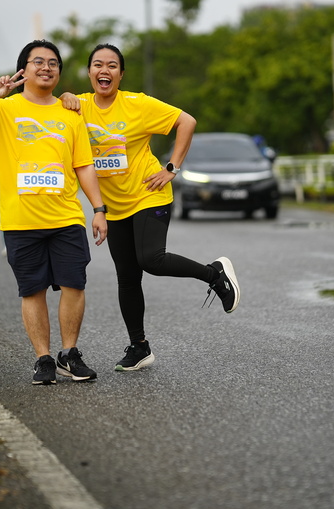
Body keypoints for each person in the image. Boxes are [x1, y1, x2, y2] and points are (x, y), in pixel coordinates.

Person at [60, 43, 240, 372]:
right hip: (114, 206)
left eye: (112, 65)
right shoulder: (78, 106)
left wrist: (172, 168)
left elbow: (187, 121)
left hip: (149, 193)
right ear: (89, 72)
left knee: (151, 259)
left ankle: (214, 274)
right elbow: (56, 107)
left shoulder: (137, 104)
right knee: (127, 278)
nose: (104, 70)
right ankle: (139, 347)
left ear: (121, 74)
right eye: (98, 65)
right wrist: (65, 96)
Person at [0, 39, 108, 385]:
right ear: (23, 70)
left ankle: (69, 353)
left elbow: (84, 165)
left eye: (53, 63)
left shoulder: (69, 113)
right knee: (32, 290)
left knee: (74, 285)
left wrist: (99, 209)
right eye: (38, 62)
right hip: (20, 220)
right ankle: (43, 359)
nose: (46, 68)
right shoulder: (3, 110)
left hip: (66, 217)